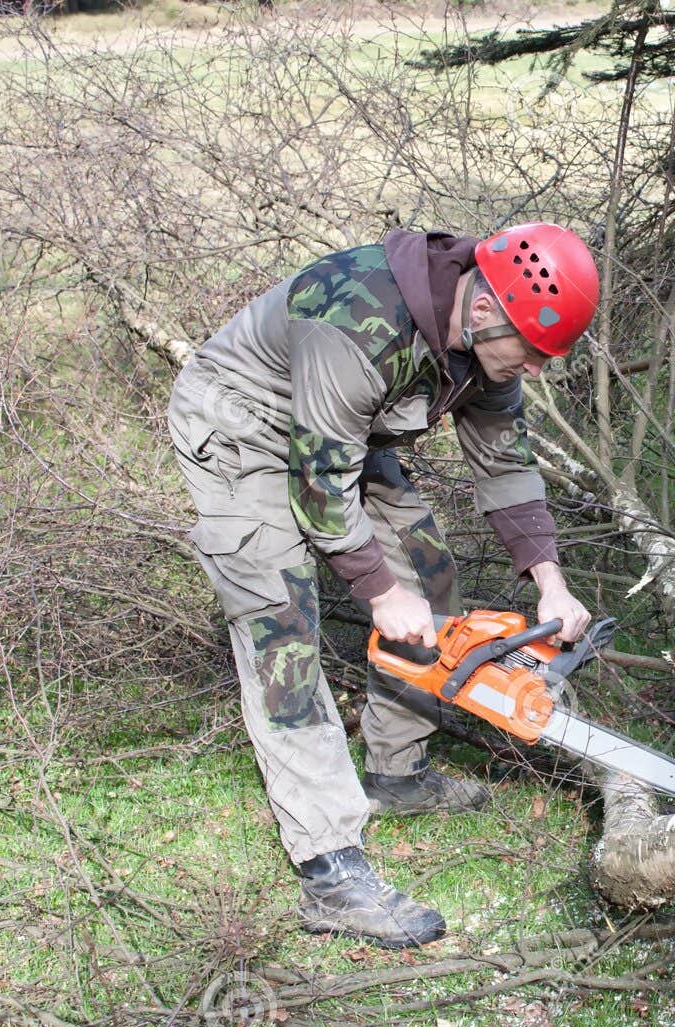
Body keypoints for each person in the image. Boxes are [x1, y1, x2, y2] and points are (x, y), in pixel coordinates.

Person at [167, 223, 599, 948]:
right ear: (487, 310)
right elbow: (318, 484)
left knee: (428, 569)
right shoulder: (360, 320)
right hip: (244, 424)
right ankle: (329, 866)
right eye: (529, 353)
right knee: (283, 624)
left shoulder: (486, 345)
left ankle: (396, 768)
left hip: (337, 433)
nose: (532, 369)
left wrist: (550, 581)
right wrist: (374, 590)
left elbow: (504, 466)